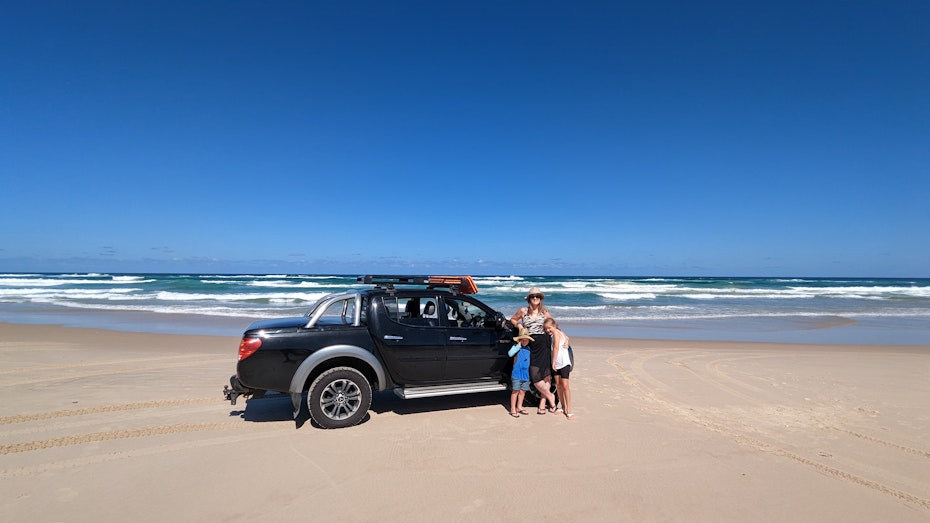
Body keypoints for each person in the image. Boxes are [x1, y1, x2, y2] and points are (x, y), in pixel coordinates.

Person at [510, 286, 556, 414]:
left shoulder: (545, 312)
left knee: (546, 375)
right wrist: (519, 325)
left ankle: (543, 404)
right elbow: (512, 319)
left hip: (545, 345)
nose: (535, 298)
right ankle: (550, 396)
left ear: (541, 299)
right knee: (535, 376)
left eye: (537, 296)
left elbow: (553, 326)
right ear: (529, 299)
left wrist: (563, 336)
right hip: (532, 345)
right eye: (533, 296)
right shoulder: (523, 311)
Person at [544, 317, 574, 420]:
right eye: (546, 329)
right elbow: (566, 338)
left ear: (554, 326)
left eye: (549, 328)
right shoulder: (557, 333)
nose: (548, 330)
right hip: (557, 364)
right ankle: (563, 406)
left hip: (563, 363)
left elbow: (556, 347)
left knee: (565, 386)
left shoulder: (556, 333)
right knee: (558, 385)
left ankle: (569, 409)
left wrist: (553, 362)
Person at [507, 328, 533, 418]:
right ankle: (513, 408)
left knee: (523, 391)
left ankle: (519, 407)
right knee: (515, 391)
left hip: (526, 374)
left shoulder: (529, 349)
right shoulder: (516, 348)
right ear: (519, 340)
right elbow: (510, 354)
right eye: (523, 340)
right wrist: (518, 345)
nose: (525, 342)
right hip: (517, 373)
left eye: (526, 340)